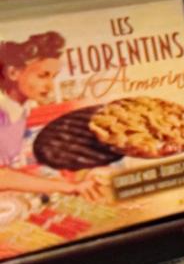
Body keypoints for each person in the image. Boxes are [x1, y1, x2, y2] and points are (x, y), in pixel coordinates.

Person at [0, 32, 108, 200]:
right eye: (43, 76)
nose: (50, 86)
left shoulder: (20, 109)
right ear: (13, 72)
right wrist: (70, 187)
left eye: (53, 77)